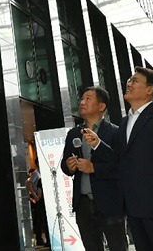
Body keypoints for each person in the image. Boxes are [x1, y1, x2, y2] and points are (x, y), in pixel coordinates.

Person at [84, 67, 153, 251]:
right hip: (133, 209)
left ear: (149, 89)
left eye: (135, 81)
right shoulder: (125, 122)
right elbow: (119, 160)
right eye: (129, 80)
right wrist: (98, 144)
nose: (128, 84)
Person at [60, 86, 127, 251]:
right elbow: (64, 166)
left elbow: (121, 167)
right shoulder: (74, 133)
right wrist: (69, 166)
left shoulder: (115, 132)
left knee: (117, 246)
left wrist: (93, 168)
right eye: (82, 99)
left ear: (101, 106)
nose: (82, 102)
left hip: (110, 203)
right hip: (83, 204)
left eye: (88, 99)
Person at [26, 167, 48, 247]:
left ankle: (41, 239)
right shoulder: (36, 174)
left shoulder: (39, 176)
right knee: (39, 220)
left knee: (40, 220)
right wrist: (35, 196)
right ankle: (39, 239)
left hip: (38, 198)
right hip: (38, 198)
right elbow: (29, 184)